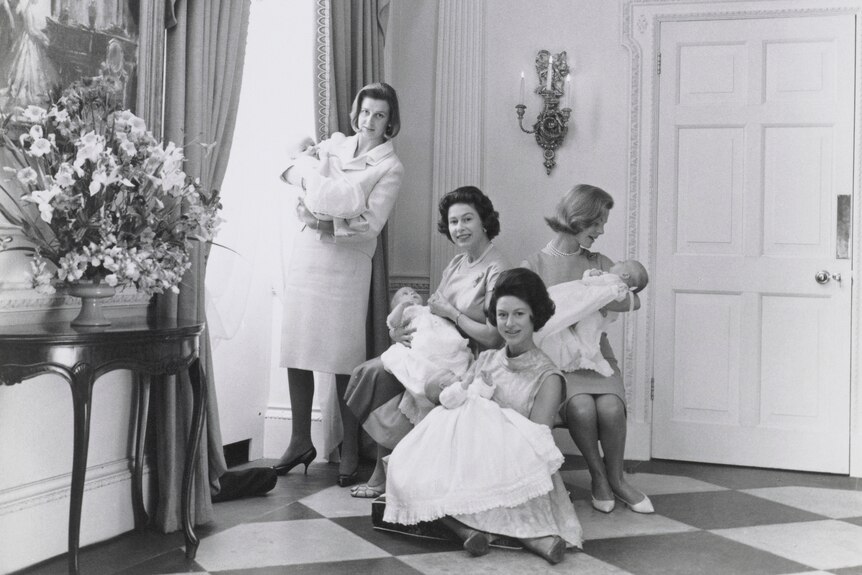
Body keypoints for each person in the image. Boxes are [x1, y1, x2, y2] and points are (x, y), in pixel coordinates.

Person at [384, 268, 582, 564]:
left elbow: (538, 443)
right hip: (474, 456)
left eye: (519, 314)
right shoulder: (488, 359)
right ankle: (466, 530)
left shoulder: (548, 376)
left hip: (518, 465)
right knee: (404, 468)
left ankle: (523, 536)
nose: (509, 323)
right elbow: (462, 404)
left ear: (535, 316)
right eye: (502, 315)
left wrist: (489, 419)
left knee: (455, 490)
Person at [344, 186, 509, 497]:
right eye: (453, 222)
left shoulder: (497, 268)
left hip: (469, 360)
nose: (459, 228)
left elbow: (493, 335)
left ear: (485, 221)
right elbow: (431, 313)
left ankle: (387, 472)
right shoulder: (457, 263)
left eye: (467, 219)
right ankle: (388, 469)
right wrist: (398, 332)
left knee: (382, 376)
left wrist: (453, 314)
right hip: (436, 349)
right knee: (371, 372)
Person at [276, 82, 403, 486]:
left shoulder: (390, 167)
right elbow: (294, 171)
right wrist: (307, 185)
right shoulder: (333, 146)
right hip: (308, 256)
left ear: (390, 121)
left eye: (379, 114)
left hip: (347, 263)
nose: (369, 121)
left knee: (343, 358)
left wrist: (322, 220)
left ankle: (350, 446)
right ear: (356, 113)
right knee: (297, 348)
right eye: (365, 112)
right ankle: (299, 440)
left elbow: (370, 225)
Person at [523, 184, 654, 514]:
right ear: (577, 218)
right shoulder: (534, 265)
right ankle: (598, 477)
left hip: (596, 354)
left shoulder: (600, 263)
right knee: (581, 408)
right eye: (597, 222)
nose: (601, 230)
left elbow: (632, 300)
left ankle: (618, 480)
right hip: (559, 360)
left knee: (610, 408)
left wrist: (597, 294)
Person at [536, 258, 648, 376]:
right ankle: (581, 352)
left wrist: (600, 285)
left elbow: (608, 292)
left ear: (625, 275)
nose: (619, 261)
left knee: (586, 331)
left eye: (623, 263)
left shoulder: (616, 282)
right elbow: (591, 282)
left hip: (595, 314)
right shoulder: (607, 276)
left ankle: (585, 353)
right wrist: (591, 274)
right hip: (592, 310)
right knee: (579, 327)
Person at [380, 286, 472, 424]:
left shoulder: (430, 309)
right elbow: (392, 323)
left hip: (445, 336)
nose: (411, 293)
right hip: (426, 338)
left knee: (456, 347)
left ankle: (456, 373)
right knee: (424, 347)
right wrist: (402, 306)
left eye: (414, 292)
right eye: (404, 294)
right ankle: (438, 382)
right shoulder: (407, 312)